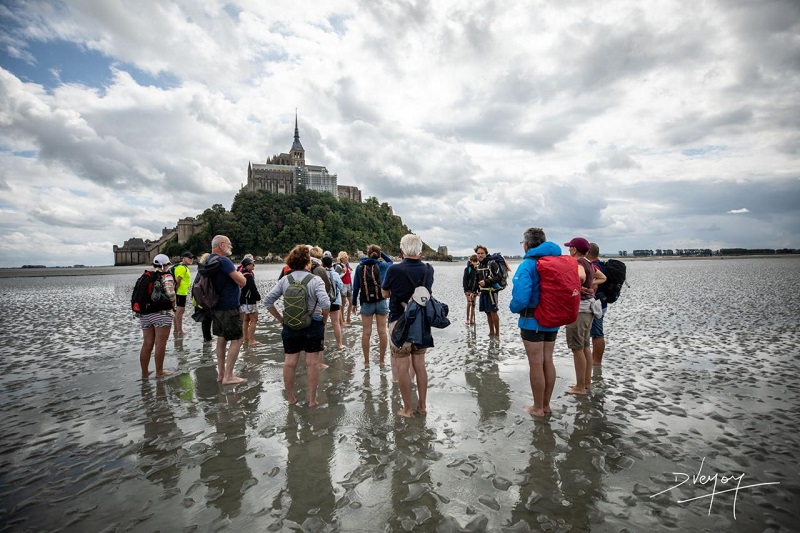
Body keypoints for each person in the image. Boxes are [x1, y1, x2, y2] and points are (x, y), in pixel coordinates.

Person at [263, 244, 331, 407]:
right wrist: (323, 319)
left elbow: (268, 301)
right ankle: (312, 400)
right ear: (307, 262)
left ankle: (291, 398)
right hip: (313, 325)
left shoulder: (285, 279)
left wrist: (281, 319)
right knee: (312, 363)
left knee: (289, 362)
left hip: (290, 325)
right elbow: (325, 303)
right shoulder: (315, 280)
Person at [508, 228, 562, 417]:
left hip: (532, 320)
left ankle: (537, 408)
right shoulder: (555, 261)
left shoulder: (528, 264)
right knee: (548, 361)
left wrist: (513, 307)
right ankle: (546, 405)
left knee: (536, 364)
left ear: (527, 244)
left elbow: (521, 298)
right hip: (553, 319)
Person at [382, 234, 434, 418]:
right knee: (420, 365)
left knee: (402, 366)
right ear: (420, 250)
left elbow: (385, 293)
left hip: (399, 321)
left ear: (402, 250)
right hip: (421, 322)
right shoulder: (428, 269)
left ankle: (408, 409)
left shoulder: (393, 270)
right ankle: (422, 406)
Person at [563, 237, 602, 395]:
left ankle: (580, 387)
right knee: (585, 346)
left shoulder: (578, 262)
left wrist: (575, 286)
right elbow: (602, 277)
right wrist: (590, 288)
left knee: (577, 348)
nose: (568, 250)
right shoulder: (589, 263)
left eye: (569, 248)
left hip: (579, 310)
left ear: (574, 249)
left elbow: (580, 277)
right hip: (589, 309)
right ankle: (586, 383)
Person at [209, 235, 247, 385]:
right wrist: (241, 276)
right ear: (221, 245)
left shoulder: (208, 260)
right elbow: (241, 281)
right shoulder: (224, 261)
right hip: (229, 306)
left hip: (215, 306)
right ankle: (229, 376)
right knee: (237, 339)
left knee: (221, 338)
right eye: (229, 244)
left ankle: (221, 374)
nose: (231, 247)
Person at [351, 245, 394, 368]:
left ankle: (366, 362)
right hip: (381, 301)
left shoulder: (360, 267)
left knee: (366, 333)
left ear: (368, 254)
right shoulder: (383, 266)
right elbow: (391, 261)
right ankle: (381, 361)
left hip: (366, 303)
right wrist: (382, 253)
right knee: (382, 332)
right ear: (378, 255)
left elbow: (356, 287)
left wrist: (354, 303)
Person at [137, 254, 176, 378]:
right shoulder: (166, 276)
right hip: (161, 313)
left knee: (147, 343)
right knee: (160, 343)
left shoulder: (146, 276)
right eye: (168, 264)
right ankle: (159, 372)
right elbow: (171, 295)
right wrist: (174, 307)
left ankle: (145, 372)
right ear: (165, 265)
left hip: (144, 314)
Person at [587, 243, 609, 366]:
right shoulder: (600, 264)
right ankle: (594, 359)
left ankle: (597, 362)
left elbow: (594, 286)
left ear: (588, 253)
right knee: (596, 333)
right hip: (602, 303)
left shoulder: (595, 266)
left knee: (597, 334)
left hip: (596, 305)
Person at [475, 245, 502, 337]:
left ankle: (497, 333)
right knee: (487, 312)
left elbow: (498, 277)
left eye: (482, 253)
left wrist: (486, 281)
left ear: (486, 253)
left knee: (493, 312)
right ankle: (491, 332)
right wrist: (475, 291)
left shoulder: (492, 263)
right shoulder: (479, 265)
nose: (480, 255)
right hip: (483, 292)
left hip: (492, 291)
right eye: (478, 253)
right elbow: (477, 279)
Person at [322, 255, 345, 349]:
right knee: (336, 323)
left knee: (324, 323)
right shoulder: (335, 274)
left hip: (323, 301)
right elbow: (340, 286)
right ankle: (339, 344)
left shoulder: (320, 273)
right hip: (335, 301)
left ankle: (322, 344)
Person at [240, 257, 261, 346]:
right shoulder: (248, 276)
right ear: (247, 265)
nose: (254, 265)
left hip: (242, 300)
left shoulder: (241, 274)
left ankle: (245, 339)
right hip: (249, 300)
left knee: (245, 320)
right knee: (254, 319)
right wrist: (258, 297)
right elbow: (253, 289)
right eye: (252, 264)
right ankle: (251, 340)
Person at [193, 252, 214, 343]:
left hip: (198, 298)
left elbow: (195, 284)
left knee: (205, 319)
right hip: (205, 298)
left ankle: (207, 337)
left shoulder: (200, 270)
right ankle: (208, 338)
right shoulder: (207, 271)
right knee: (207, 318)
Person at [172, 251, 193, 337]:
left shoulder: (184, 267)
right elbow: (178, 281)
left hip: (182, 292)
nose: (191, 259)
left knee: (178, 311)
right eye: (189, 258)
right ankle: (179, 331)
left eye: (192, 258)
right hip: (180, 292)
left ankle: (176, 330)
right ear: (183, 258)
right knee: (180, 311)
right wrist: (175, 292)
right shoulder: (181, 267)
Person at [335, 251, 354, 326]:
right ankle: (342, 320)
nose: (347, 258)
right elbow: (336, 277)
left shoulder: (347, 265)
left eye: (347, 256)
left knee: (351, 302)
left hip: (348, 284)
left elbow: (349, 276)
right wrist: (343, 273)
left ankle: (348, 319)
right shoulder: (338, 266)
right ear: (341, 258)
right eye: (345, 257)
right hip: (343, 285)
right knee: (343, 303)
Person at [462, 254, 479, 325]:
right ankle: (467, 319)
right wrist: (466, 290)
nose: (475, 263)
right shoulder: (467, 269)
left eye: (476, 261)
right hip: (468, 290)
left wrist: (478, 290)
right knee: (469, 303)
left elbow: (478, 280)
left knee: (473, 304)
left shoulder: (477, 270)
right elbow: (464, 280)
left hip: (475, 290)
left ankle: (472, 319)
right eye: (473, 261)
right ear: (471, 261)